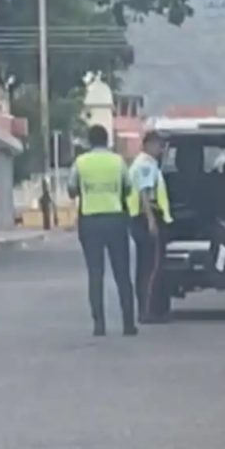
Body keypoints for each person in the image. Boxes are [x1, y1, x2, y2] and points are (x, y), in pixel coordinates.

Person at [68, 124, 137, 337]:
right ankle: (128, 324)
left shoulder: (81, 162)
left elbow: (71, 189)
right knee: (122, 273)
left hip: (90, 220)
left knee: (95, 273)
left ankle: (99, 324)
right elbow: (128, 187)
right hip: (115, 219)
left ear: (89, 141)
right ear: (107, 140)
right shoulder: (118, 161)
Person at [127, 130, 173, 323]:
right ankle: (147, 311)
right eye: (159, 145)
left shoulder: (144, 163)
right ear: (148, 145)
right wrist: (151, 220)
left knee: (145, 266)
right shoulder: (146, 165)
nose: (161, 150)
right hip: (146, 217)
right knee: (150, 267)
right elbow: (145, 193)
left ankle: (147, 310)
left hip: (141, 218)